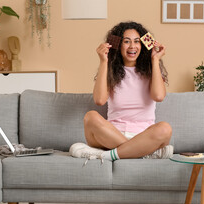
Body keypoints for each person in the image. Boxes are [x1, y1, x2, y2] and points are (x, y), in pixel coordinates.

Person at [70, 21, 173, 162]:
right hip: (112, 136)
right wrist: (103, 61)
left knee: (165, 128)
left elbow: (159, 96)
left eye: (137, 41)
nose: (132, 46)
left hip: (144, 137)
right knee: (90, 117)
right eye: (126, 41)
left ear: (142, 45)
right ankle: (139, 152)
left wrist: (155, 60)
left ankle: (110, 154)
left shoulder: (150, 70)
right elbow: (99, 100)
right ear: (118, 46)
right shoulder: (111, 70)